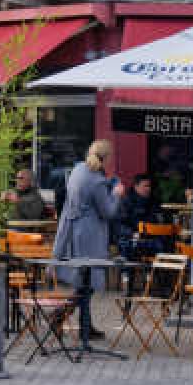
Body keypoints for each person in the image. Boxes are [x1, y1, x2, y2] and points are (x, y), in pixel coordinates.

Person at [52, 140, 118, 343]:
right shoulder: (97, 181)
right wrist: (116, 195)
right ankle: (61, 316)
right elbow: (108, 211)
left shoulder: (78, 170)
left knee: (84, 281)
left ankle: (85, 325)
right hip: (90, 235)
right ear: (106, 158)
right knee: (87, 282)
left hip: (74, 231)